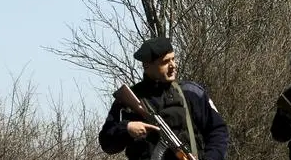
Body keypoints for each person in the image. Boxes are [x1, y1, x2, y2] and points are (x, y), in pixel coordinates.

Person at [98, 37, 229, 160]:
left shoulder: (191, 93)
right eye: (165, 62)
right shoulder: (129, 100)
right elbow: (107, 144)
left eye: (173, 59)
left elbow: (218, 131)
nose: (173, 65)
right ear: (147, 66)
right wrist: (127, 129)